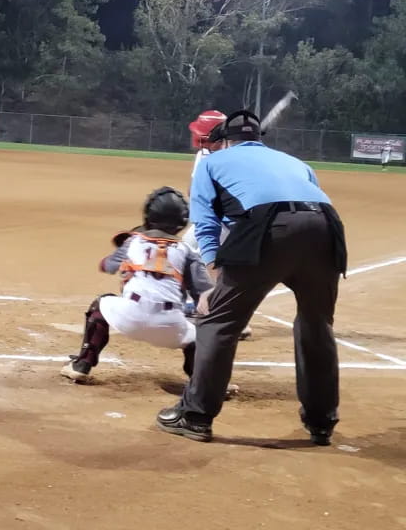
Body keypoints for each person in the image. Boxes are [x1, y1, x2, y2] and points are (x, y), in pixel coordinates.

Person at [156, 110, 347, 445]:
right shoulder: (295, 162)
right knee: (316, 325)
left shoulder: (213, 162)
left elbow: (205, 221)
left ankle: (196, 416)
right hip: (326, 228)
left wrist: (214, 272)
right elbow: (310, 201)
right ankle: (321, 422)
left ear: (225, 142)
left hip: (271, 229)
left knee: (218, 322)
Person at [60, 187, 214, 385]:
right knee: (200, 337)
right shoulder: (187, 251)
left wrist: (126, 258)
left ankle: (82, 365)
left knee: (100, 304)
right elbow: (204, 292)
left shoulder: (133, 242)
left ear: (148, 216)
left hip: (129, 319)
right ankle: (205, 383)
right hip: (170, 327)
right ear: (182, 222)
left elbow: (106, 266)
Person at [182, 110, 252, 340]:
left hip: (229, 220)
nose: (198, 140)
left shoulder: (224, 157)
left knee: (188, 254)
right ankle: (237, 319)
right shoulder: (210, 154)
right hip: (224, 218)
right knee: (223, 266)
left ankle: (233, 319)